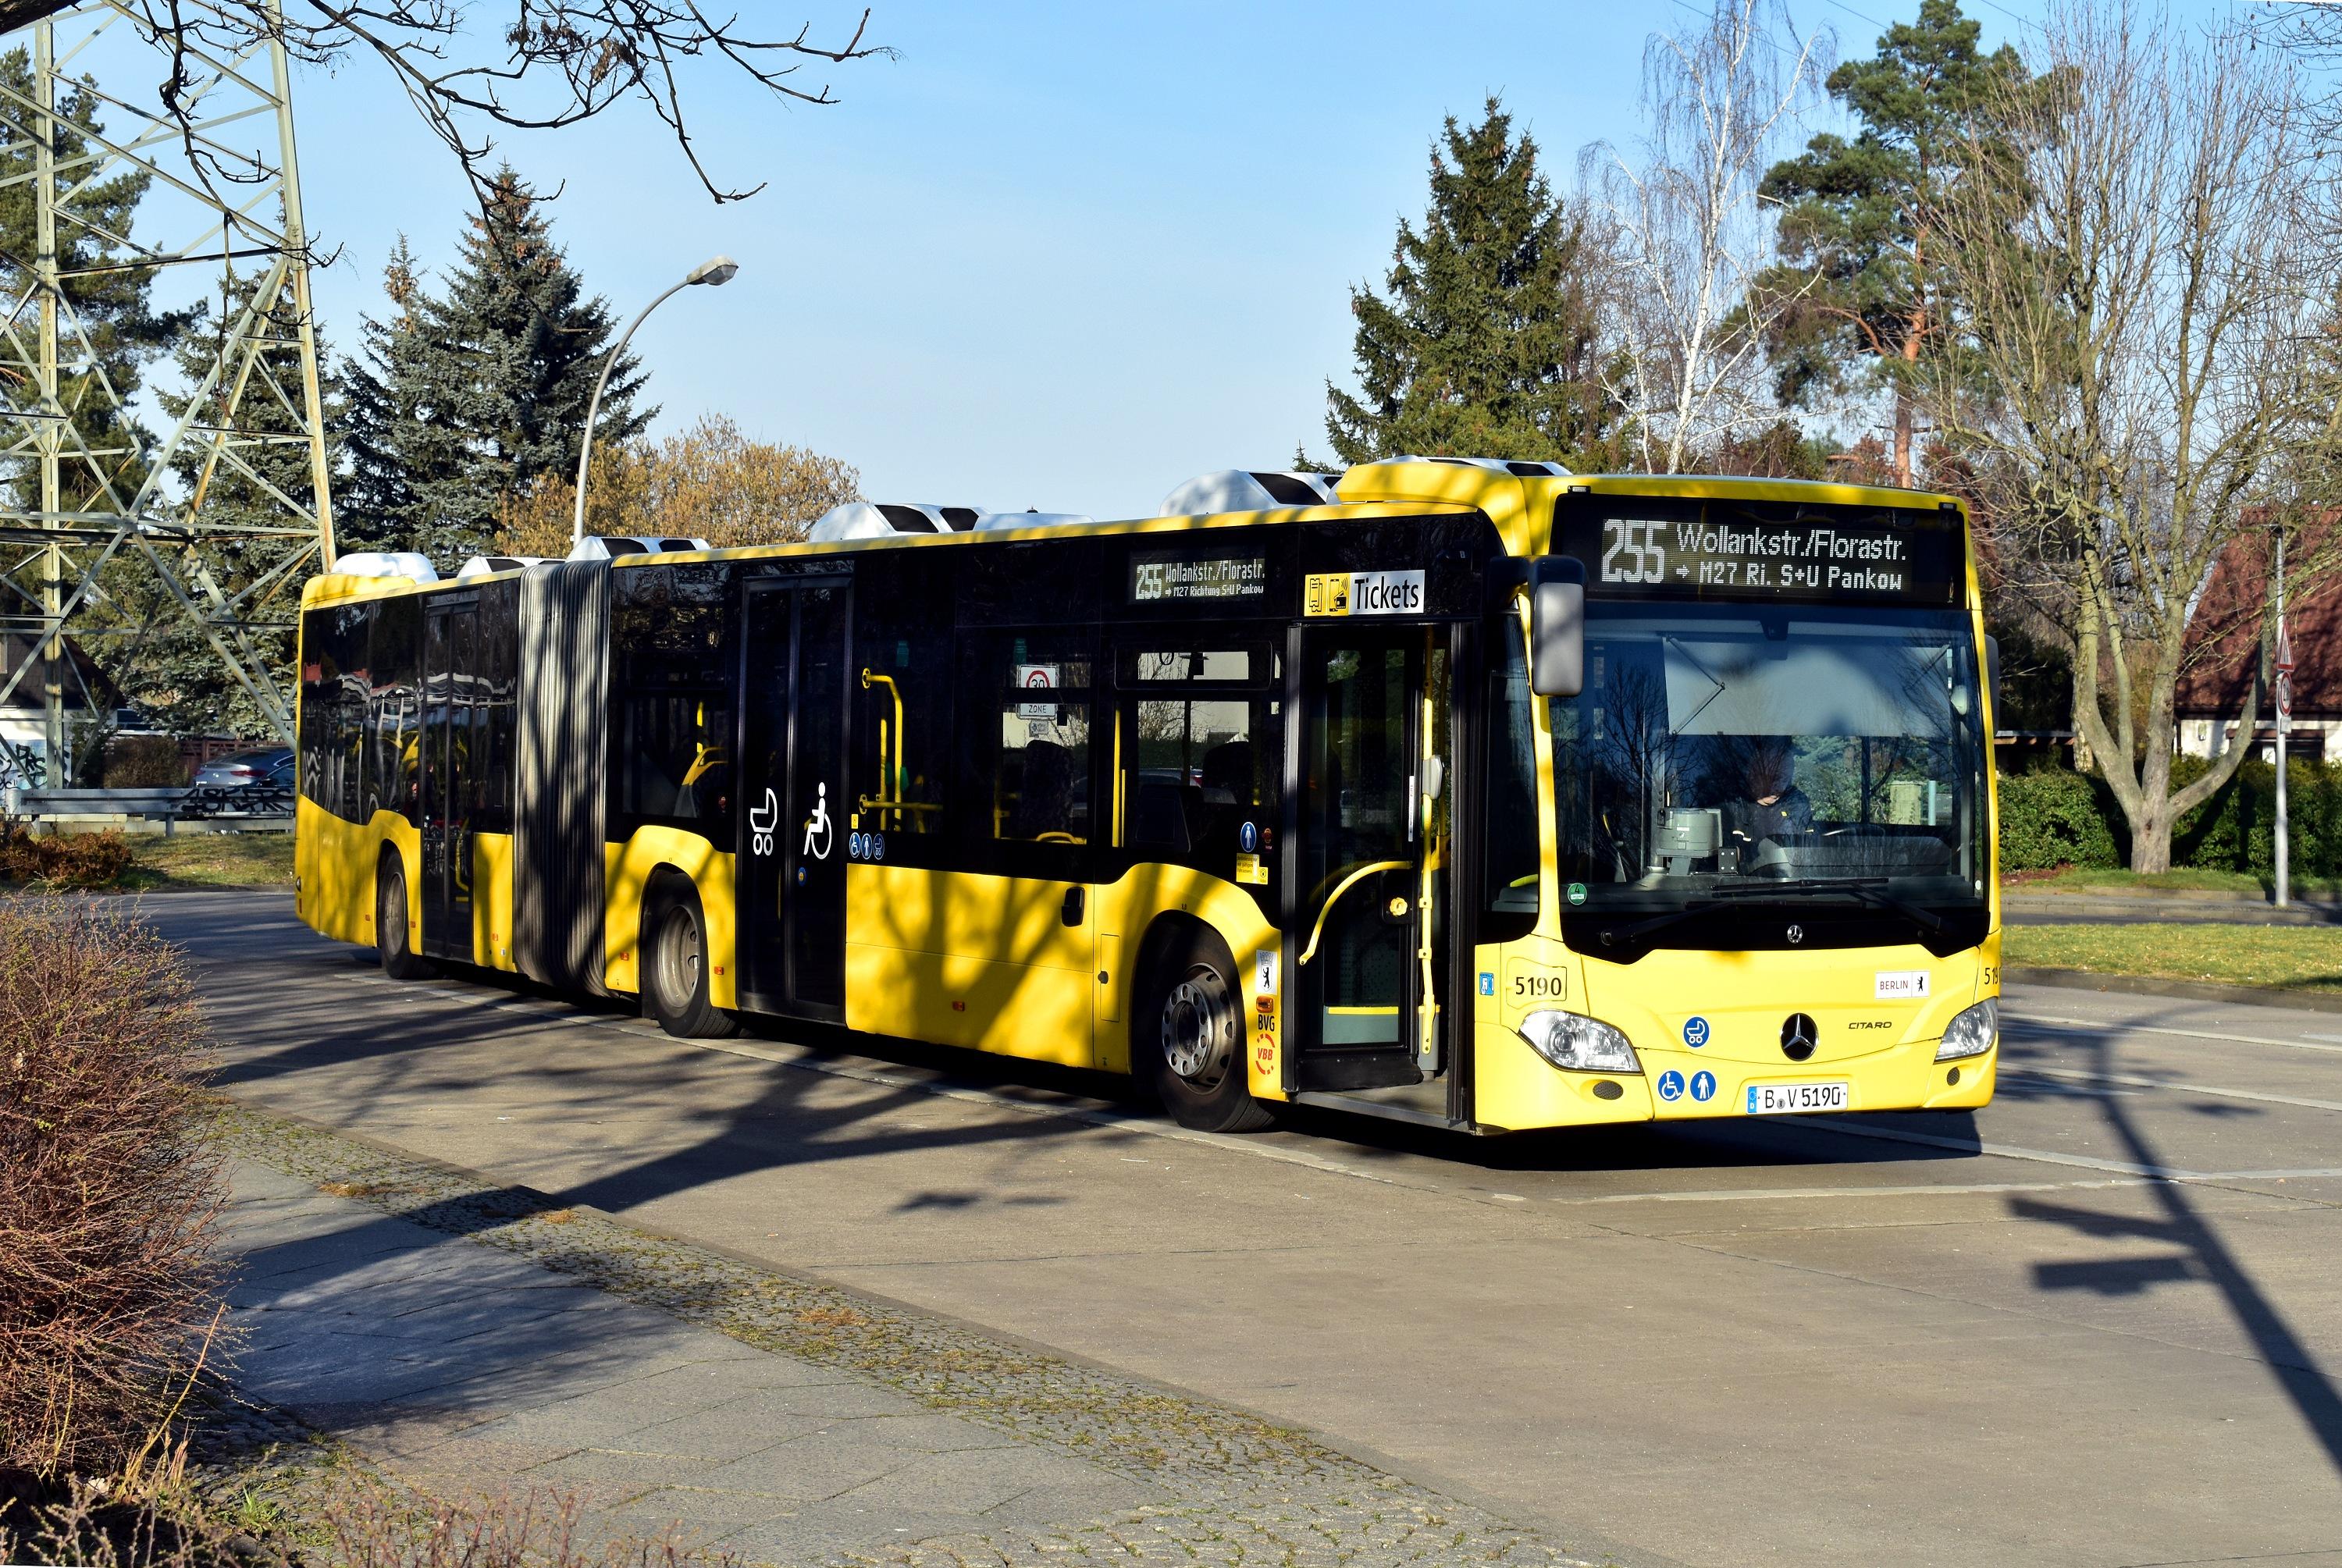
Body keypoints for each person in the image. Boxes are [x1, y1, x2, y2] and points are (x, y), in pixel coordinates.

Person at [1722, 736, 1811, 846]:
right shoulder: (1735, 807)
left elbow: (1809, 848)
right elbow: (1727, 854)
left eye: (1784, 778)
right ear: (1753, 775)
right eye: (1771, 777)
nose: (1777, 785)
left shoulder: (1798, 804)